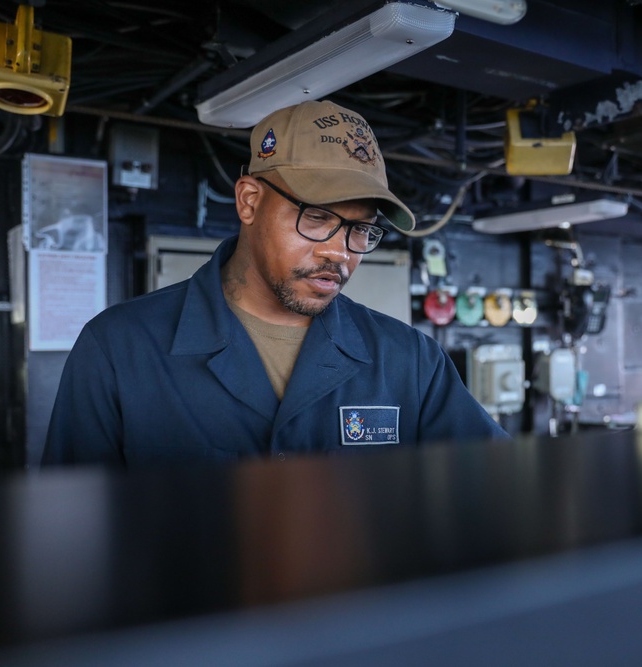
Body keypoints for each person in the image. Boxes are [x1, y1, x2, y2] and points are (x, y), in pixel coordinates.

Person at [42, 99, 509, 466]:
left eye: (361, 229)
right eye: (317, 216)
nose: (340, 252)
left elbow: (500, 489)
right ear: (248, 201)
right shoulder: (121, 348)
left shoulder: (410, 360)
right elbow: (71, 534)